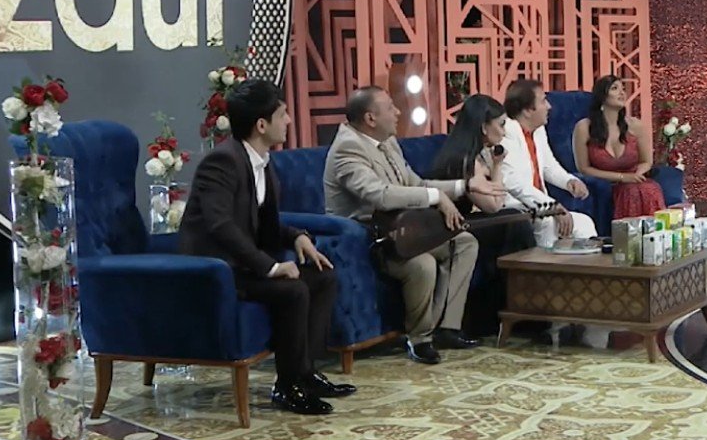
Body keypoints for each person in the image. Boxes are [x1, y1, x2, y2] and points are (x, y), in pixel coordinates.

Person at [178, 79, 353, 416]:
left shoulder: (262, 161)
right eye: (283, 114)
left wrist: (296, 237)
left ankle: (305, 373)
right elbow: (220, 225)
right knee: (293, 290)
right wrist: (270, 267)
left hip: (243, 266)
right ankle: (287, 387)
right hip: (216, 271)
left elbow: (262, 223)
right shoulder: (222, 161)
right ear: (262, 124)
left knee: (322, 277)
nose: (288, 120)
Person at [323, 86, 503, 364]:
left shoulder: (388, 142)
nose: (398, 112)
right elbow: (380, 195)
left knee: (464, 242)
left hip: (402, 230)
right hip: (367, 240)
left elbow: (416, 183)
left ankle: (447, 327)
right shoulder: (348, 150)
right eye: (390, 107)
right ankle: (420, 339)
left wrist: (464, 186)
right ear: (370, 118)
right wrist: (435, 197)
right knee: (423, 263)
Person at [430, 94, 536, 336]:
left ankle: (519, 309)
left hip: (463, 222)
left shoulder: (478, 154)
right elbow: (493, 205)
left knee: (515, 220)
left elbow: (495, 201)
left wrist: (496, 165)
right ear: (483, 127)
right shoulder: (467, 160)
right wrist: (496, 168)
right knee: (514, 223)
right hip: (448, 226)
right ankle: (521, 311)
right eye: (501, 125)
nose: (504, 132)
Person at [501, 79, 597, 246]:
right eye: (543, 101)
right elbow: (513, 184)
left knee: (584, 223)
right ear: (527, 110)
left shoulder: (538, 129)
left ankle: (582, 263)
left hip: (540, 206)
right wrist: (552, 207)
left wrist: (568, 181)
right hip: (515, 205)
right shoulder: (506, 133)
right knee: (547, 222)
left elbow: (548, 166)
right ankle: (543, 263)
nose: (549, 106)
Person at [571, 75, 665, 220]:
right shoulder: (583, 128)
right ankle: (628, 233)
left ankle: (655, 232)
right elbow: (583, 168)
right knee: (630, 192)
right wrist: (622, 178)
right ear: (602, 96)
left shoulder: (635, 126)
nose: (622, 93)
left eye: (623, 89)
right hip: (606, 184)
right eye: (615, 88)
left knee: (648, 189)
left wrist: (637, 175)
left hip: (634, 181)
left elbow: (646, 161)